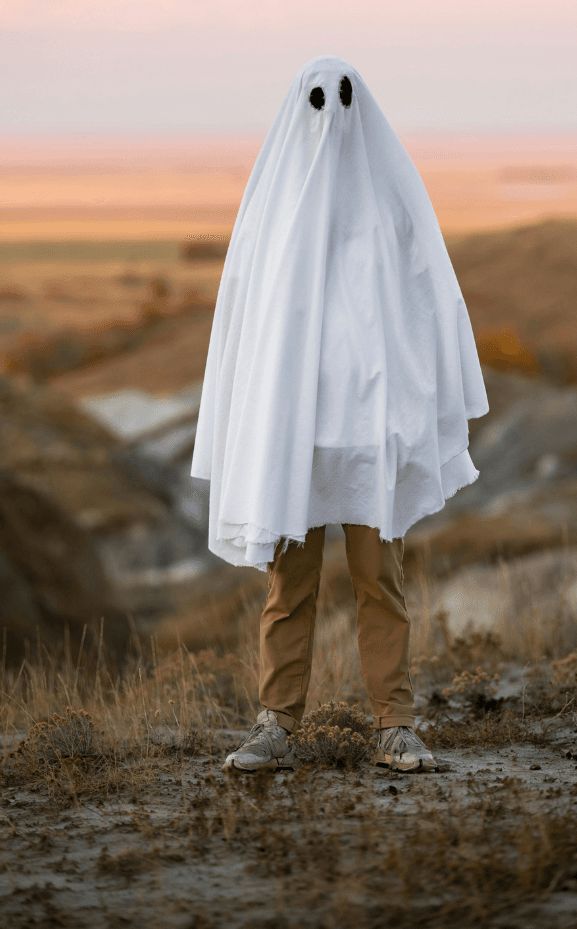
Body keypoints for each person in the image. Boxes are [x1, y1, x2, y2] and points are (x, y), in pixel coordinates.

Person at [191, 55, 488, 773]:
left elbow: (425, 301)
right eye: (318, 98)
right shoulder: (274, 219)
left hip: (366, 435)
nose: (331, 112)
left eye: (343, 96)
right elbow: (248, 327)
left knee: (376, 577)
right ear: (299, 107)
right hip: (296, 437)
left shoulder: (387, 210)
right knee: (289, 584)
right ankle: (274, 724)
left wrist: (414, 400)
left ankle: (395, 723)